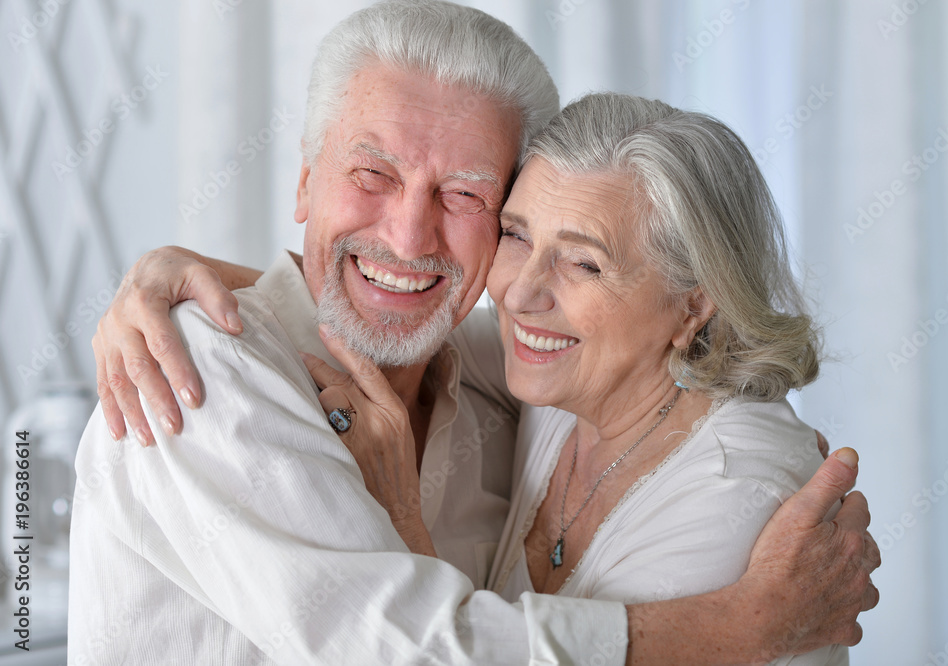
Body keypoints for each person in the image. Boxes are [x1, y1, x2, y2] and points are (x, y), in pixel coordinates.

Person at [71, 1, 878, 664]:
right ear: (306, 181)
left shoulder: (528, 389)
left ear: (693, 304)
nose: (411, 236)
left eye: (465, 195)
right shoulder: (193, 371)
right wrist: (733, 627)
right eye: (371, 176)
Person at [303, 92, 852, 664]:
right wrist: (205, 276)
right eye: (516, 236)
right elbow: (385, 319)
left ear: (693, 305)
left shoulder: (737, 497)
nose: (519, 294)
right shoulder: (580, 373)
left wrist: (401, 517)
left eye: (585, 263)